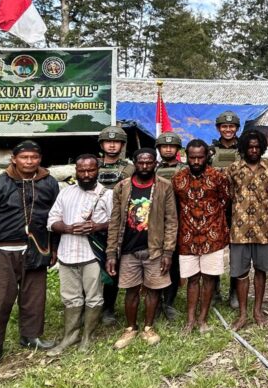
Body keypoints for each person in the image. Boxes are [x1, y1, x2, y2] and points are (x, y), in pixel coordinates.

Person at [0, 141, 59, 370]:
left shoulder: (49, 183)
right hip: (4, 251)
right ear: (14, 159)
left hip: (37, 248)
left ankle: (31, 336)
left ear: (40, 159)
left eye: (34, 157)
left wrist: (53, 248)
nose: (29, 162)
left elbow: (55, 218)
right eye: (24, 157)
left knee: (34, 297)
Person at [106, 148, 178, 349]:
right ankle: (130, 328)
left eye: (149, 162)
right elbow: (115, 220)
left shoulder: (164, 187)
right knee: (131, 290)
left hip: (154, 249)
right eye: (141, 162)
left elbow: (171, 221)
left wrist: (168, 252)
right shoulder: (122, 187)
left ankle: (148, 327)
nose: (145, 166)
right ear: (135, 163)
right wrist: (111, 252)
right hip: (129, 249)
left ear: (155, 163)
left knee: (154, 290)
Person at [46, 154, 112, 356]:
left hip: (91, 254)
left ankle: (87, 336)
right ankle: (70, 335)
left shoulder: (106, 195)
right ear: (76, 171)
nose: (85, 174)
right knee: (70, 297)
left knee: (93, 297)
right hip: (67, 253)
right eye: (81, 170)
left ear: (97, 170)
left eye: (90, 170)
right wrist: (66, 227)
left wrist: (97, 226)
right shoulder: (65, 193)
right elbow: (51, 220)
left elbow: (118, 223)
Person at [173, 139, 231, 333]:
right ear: (186, 157)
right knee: (192, 279)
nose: (196, 161)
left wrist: (213, 222)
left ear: (207, 156)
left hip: (211, 237)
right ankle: (190, 320)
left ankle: (202, 319)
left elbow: (225, 200)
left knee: (208, 279)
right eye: (192, 157)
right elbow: (175, 206)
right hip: (187, 236)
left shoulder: (217, 177)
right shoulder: (178, 179)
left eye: (200, 157)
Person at [227, 130, 268, 331]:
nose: (254, 150)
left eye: (257, 147)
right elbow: (229, 196)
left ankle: (258, 311)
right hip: (239, 230)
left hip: (264, 228)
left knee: (260, 270)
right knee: (240, 273)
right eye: (250, 147)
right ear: (244, 148)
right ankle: (242, 314)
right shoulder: (233, 169)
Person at [96, 125, 135, 325]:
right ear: (102, 144)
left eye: (116, 142)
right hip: (93, 225)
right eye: (108, 142)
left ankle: (108, 308)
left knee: (114, 265)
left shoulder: (129, 168)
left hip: (119, 222)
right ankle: (92, 305)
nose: (112, 145)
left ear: (122, 144)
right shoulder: (92, 165)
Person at [208, 110, 241, 310]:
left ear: (237, 129)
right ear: (218, 128)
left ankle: (235, 292)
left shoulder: (244, 150)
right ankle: (214, 291)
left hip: (238, 207)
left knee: (237, 250)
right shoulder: (210, 151)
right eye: (224, 126)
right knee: (214, 249)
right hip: (214, 207)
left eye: (231, 127)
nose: (228, 130)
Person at [155, 131, 187, 321]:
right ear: (159, 149)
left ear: (177, 149)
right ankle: (156, 300)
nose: (168, 149)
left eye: (171, 146)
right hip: (156, 222)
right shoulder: (152, 168)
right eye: (164, 146)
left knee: (173, 263)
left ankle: (169, 302)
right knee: (155, 262)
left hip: (179, 221)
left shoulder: (185, 168)